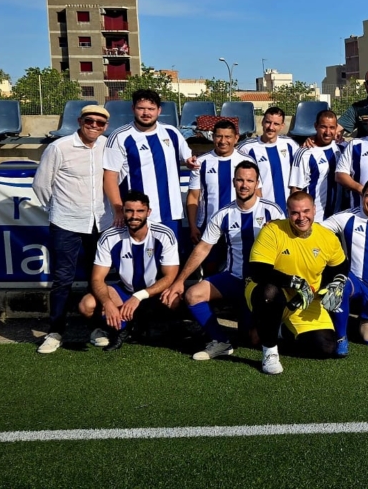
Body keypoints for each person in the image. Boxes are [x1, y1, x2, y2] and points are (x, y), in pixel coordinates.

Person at [162, 161, 284, 361]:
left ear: (257, 183)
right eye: (240, 180)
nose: (244, 185)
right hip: (234, 278)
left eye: (249, 181)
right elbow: (203, 248)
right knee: (193, 295)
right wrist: (180, 281)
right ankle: (220, 341)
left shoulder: (272, 212)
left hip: (260, 284)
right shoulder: (224, 214)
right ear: (234, 182)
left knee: (252, 339)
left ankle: (273, 324)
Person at [32, 104, 112, 354]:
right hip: (66, 223)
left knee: (97, 279)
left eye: (100, 123)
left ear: (106, 126)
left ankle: (97, 329)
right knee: (62, 280)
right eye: (90, 121)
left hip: (100, 223)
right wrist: (61, 209)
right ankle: (55, 332)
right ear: (80, 121)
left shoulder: (108, 146)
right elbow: (42, 185)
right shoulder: (59, 147)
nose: (94, 126)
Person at [246, 191, 347, 375]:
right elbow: (258, 271)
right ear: (287, 212)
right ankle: (270, 352)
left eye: (306, 211)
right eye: (295, 213)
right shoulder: (272, 230)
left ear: (315, 210)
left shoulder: (327, 237)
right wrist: (293, 282)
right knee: (268, 293)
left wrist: (337, 282)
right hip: (273, 291)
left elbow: (340, 266)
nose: (301, 217)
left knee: (326, 348)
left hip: (306, 298)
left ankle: (277, 330)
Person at [78, 191, 180, 351]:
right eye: (129, 211)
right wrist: (108, 303)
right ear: (123, 212)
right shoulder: (110, 237)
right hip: (125, 290)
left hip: (154, 291)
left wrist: (138, 297)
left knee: (174, 299)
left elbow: (170, 277)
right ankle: (119, 327)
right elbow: (97, 279)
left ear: (148, 212)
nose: (134, 216)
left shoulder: (164, 234)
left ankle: (147, 325)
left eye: (140, 211)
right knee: (87, 305)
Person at [103, 89, 196, 236]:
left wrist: (190, 162)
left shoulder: (171, 132)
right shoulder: (120, 136)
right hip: (137, 215)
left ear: (159, 110)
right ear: (133, 109)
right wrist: (119, 210)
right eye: (141, 108)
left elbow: (187, 158)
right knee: (137, 257)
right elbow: (109, 177)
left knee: (170, 258)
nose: (146, 113)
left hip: (171, 213)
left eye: (151, 109)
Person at [321, 179, 368, 356]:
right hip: (353, 280)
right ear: (362, 196)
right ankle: (341, 338)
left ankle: (360, 319)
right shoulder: (346, 217)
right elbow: (316, 230)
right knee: (340, 286)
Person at [186, 120, 253, 246]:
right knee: (210, 265)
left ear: (236, 138)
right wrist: (193, 226)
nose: (223, 141)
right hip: (208, 226)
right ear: (212, 137)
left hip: (239, 226)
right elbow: (193, 197)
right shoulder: (200, 162)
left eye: (228, 137)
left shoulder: (247, 161)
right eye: (219, 136)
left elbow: (256, 194)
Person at [238, 107, 300, 213]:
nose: (271, 127)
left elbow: (301, 171)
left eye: (276, 124)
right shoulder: (247, 148)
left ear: (282, 126)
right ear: (262, 122)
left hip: (287, 209)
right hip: (260, 210)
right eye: (268, 122)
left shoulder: (290, 144)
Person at [289, 109, 345, 222]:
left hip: (338, 218)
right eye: (323, 127)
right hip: (315, 220)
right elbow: (296, 189)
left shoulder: (343, 148)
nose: (327, 132)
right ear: (316, 126)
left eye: (332, 128)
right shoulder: (304, 153)